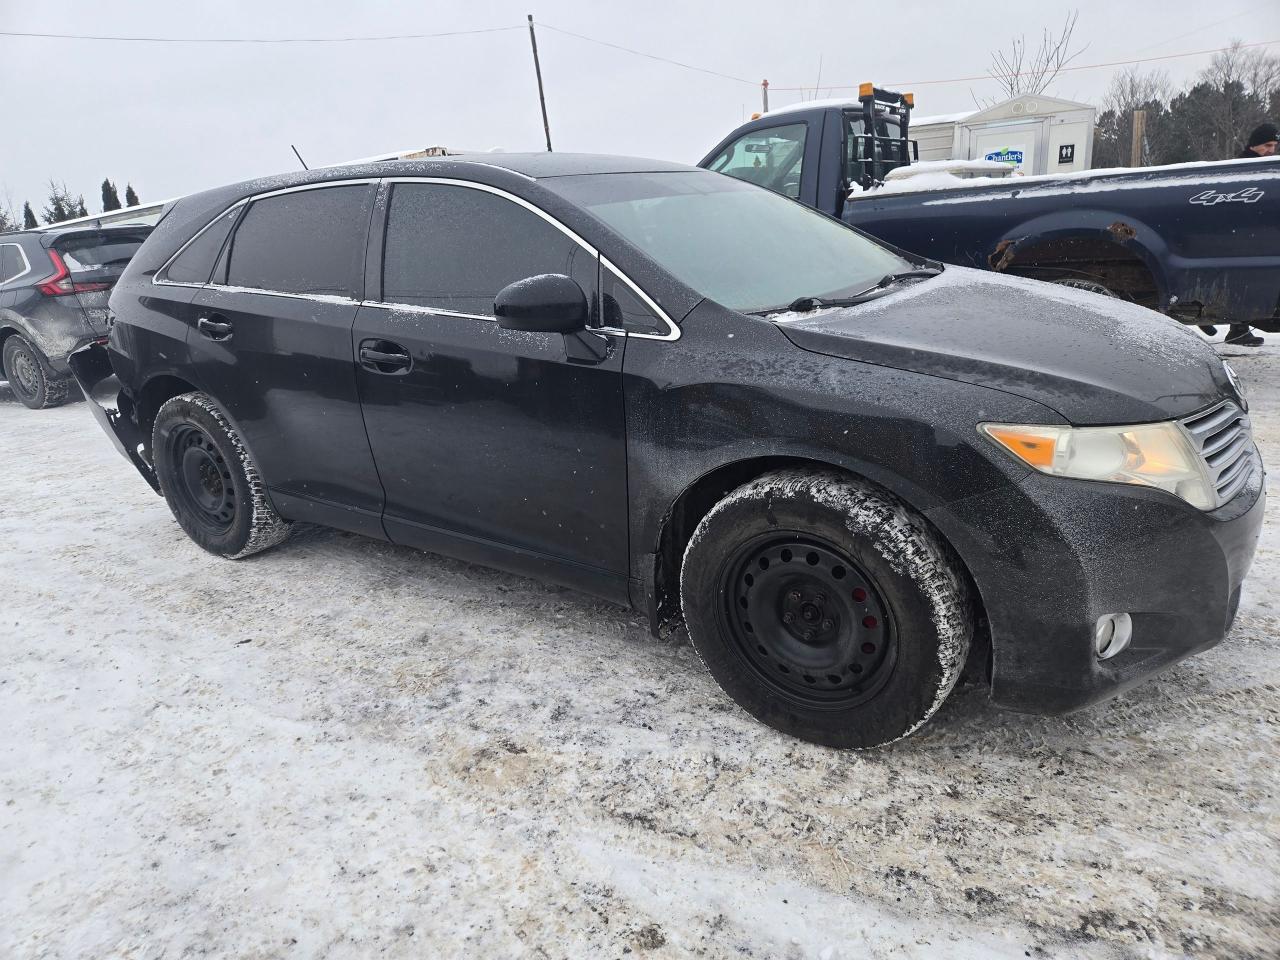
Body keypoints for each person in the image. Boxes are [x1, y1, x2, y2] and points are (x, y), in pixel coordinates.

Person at [1199, 122, 1276, 346]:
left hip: (1247, 233)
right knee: (1241, 281)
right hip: (1239, 234)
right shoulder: (1243, 166)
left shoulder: (1263, 165)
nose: (1271, 150)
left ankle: (1221, 319)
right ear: (1254, 145)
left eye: (1274, 145)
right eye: (1267, 145)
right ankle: (1229, 324)